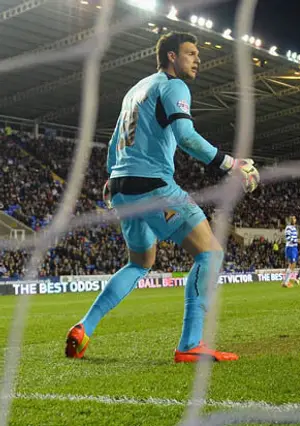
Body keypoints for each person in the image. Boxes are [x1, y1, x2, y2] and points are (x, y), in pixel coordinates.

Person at [64, 31, 259, 363]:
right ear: (171, 56)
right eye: (191, 53)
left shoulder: (136, 90)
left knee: (140, 263)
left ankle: (84, 328)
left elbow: (114, 145)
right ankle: (189, 345)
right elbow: (185, 136)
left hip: (124, 188)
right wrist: (230, 164)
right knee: (210, 254)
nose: (198, 59)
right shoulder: (174, 86)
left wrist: (113, 179)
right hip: (153, 186)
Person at [282, 215, 298, 288]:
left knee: (293, 265)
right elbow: (288, 238)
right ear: (290, 220)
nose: (293, 220)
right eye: (292, 219)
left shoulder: (294, 228)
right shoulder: (288, 227)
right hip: (290, 247)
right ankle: (286, 282)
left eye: (294, 219)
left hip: (294, 247)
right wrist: (297, 240)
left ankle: (286, 281)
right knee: (292, 264)